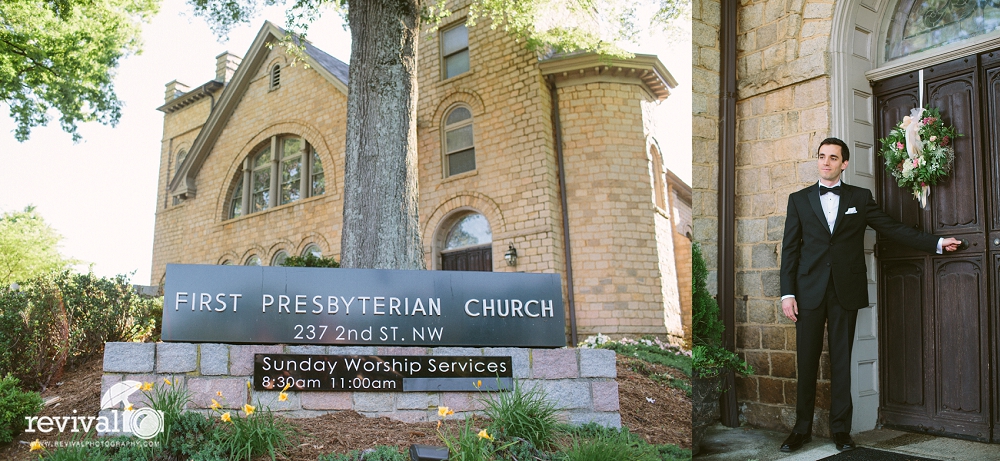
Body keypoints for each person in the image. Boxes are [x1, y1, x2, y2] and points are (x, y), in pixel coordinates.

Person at [778, 137, 962, 453]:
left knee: (841, 363)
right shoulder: (799, 200)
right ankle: (801, 430)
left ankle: (841, 432)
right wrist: (787, 294)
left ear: (844, 163)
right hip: (807, 293)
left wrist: (935, 242)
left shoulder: (860, 198)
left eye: (833, 158)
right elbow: (790, 250)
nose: (825, 162)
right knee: (806, 362)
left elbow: (892, 228)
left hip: (844, 292)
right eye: (822, 156)